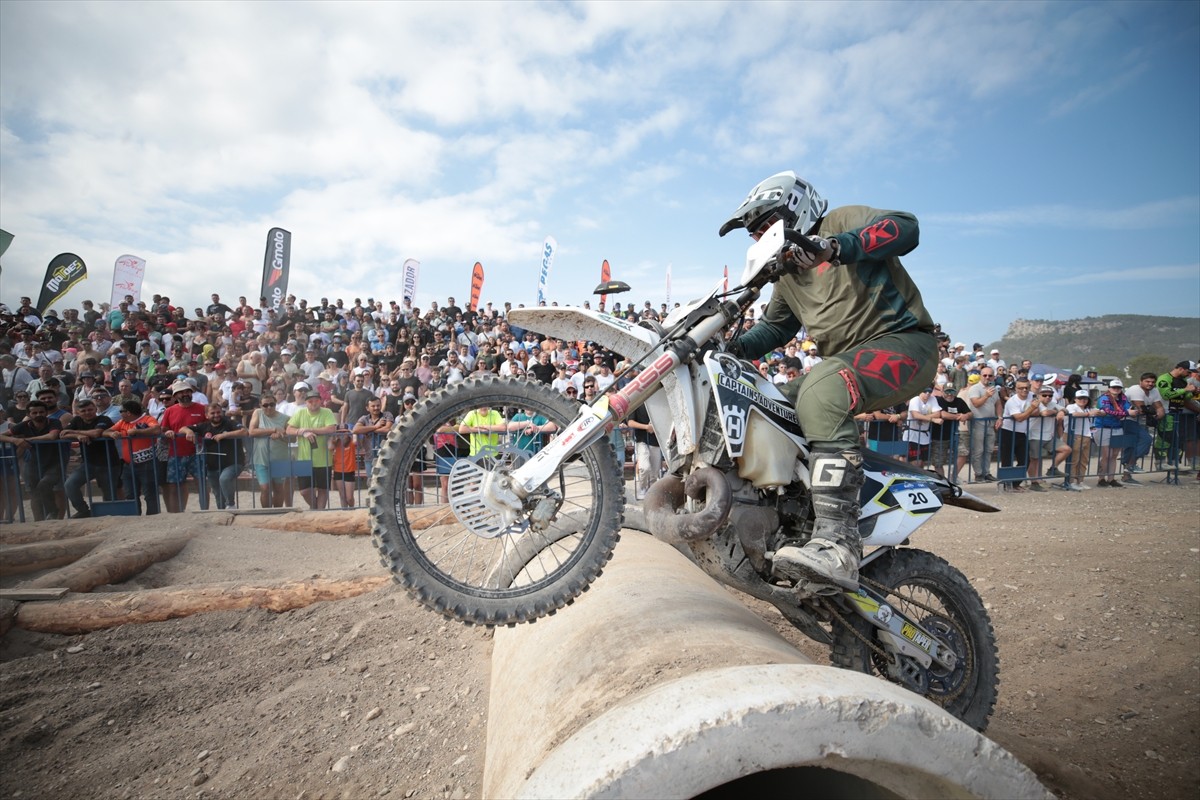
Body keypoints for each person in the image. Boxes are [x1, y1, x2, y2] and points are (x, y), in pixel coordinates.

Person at [721, 171, 937, 588]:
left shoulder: (840, 221)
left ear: (794, 211)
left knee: (822, 388)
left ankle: (839, 543)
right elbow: (775, 329)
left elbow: (907, 228)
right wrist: (728, 348)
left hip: (904, 343)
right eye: (753, 234)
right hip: (843, 363)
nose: (759, 238)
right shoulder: (785, 275)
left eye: (764, 225)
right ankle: (792, 520)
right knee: (766, 404)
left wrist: (835, 248)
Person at [0, 400, 64, 520]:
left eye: (41, 412)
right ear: (29, 414)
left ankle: (53, 512)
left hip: (54, 461)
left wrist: (28, 439)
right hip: (33, 461)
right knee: (34, 492)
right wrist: (15, 440)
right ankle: (38, 521)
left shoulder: (54, 422)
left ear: (46, 412)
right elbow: (2, 435)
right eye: (34, 413)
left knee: (44, 484)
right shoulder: (24, 425)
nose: (38, 414)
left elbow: (52, 436)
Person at [61, 397, 120, 517]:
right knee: (70, 484)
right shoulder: (76, 420)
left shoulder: (104, 418)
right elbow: (62, 434)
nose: (87, 413)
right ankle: (83, 511)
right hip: (88, 463)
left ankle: (110, 517)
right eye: (83, 411)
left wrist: (77, 433)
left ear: (95, 409)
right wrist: (77, 436)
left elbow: (96, 433)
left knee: (109, 493)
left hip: (109, 463)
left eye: (90, 409)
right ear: (78, 412)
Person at [181, 403, 247, 509]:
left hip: (233, 463)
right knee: (218, 495)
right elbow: (182, 428)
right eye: (213, 413)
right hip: (212, 466)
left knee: (224, 479)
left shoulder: (230, 423)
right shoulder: (204, 426)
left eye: (218, 412)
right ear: (207, 415)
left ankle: (231, 504)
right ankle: (222, 514)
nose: (216, 415)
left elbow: (244, 432)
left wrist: (225, 435)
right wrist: (188, 431)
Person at [103, 400, 161, 514]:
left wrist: (138, 431)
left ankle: (152, 518)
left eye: (121, 411)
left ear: (128, 412)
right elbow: (106, 431)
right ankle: (134, 517)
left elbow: (156, 429)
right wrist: (111, 433)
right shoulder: (122, 422)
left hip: (147, 463)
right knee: (130, 494)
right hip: (128, 465)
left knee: (150, 494)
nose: (120, 413)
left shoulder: (147, 419)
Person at [159, 379, 207, 512]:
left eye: (187, 391)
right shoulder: (169, 411)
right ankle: (177, 515)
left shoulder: (202, 408)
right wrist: (167, 431)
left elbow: (208, 427)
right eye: (181, 392)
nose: (185, 394)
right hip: (175, 453)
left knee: (201, 484)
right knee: (175, 486)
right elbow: (163, 429)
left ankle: (205, 512)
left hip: (197, 452)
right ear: (175, 396)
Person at [287, 390, 338, 509]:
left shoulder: (327, 412)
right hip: (303, 457)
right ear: (306, 403)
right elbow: (289, 430)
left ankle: (319, 513)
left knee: (323, 489)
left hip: (323, 458)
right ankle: (316, 508)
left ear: (320, 401)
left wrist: (309, 430)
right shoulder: (300, 413)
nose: (313, 403)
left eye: (316, 401)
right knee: (304, 491)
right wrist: (301, 432)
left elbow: (331, 429)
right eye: (310, 401)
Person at [248, 392, 292, 508]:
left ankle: (277, 514)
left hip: (280, 458)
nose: (269, 407)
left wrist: (281, 436)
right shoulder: (257, 413)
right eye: (265, 405)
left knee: (279, 488)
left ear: (276, 404)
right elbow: (251, 431)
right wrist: (273, 429)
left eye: (272, 404)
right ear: (260, 405)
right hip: (261, 458)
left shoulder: (285, 418)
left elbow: (292, 439)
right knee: (265, 488)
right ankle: (266, 513)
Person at [1025, 385, 1071, 491]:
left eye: (1050, 395)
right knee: (1035, 460)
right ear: (1038, 395)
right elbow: (1044, 413)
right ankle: (1034, 482)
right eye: (1044, 395)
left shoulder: (1052, 403)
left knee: (1066, 449)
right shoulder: (1035, 403)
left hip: (1049, 436)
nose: (1047, 397)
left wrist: (1061, 411)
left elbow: (1065, 409)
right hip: (1035, 436)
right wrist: (1056, 411)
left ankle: (1052, 468)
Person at [964, 367, 1001, 482]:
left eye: (990, 375)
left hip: (990, 422)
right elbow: (976, 404)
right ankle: (978, 474)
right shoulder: (975, 389)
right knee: (978, 450)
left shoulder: (993, 389)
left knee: (989, 449)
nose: (987, 377)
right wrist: (986, 395)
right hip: (978, 422)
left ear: (993, 377)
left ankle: (986, 472)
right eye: (984, 375)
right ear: (980, 376)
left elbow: (998, 404)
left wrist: (1000, 417)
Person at [998, 379, 1037, 491]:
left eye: (1026, 387)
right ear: (1016, 389)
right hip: (1008, 431)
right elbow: (1019, 418)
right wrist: (1031, 409)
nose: (1024, 390)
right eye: (1021, 388)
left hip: (1022, 432)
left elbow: (1036, 411)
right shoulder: (1012, 401)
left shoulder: (1032, 395)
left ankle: (1015, 483)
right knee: (1007, 460)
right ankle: (1007, 484)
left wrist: (1028, 412)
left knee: (1025, 460)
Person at [1094, 379, 1133, 488]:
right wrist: (1126, 413)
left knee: (1114, 455)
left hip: (1117, 427)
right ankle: (1101, 478)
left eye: (1118, 388)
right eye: (1114, 387)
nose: (1116, 389)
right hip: (1103, 427)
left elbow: (1128, 408)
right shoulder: (1103, 398)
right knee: (1107, 455)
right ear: (1109, 388)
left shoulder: (1123, 399)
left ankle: (1111, 479)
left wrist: (1126, 412)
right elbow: (1107, 411)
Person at [1063, 390, 1097, 491]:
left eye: (1085, 398)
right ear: (1075, 399)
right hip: (1073, 434)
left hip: (1086, 435)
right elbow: (1073, 414)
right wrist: (1089, 414)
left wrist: (1098, 412)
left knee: (1084, 460)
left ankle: (1080, 480)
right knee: (1074, 460)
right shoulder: (1071, 406)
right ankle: (1071, 481)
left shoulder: (1088, 409)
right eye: (1080, 398)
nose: (1082, 400)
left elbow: (1100, 412)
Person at [626, 403, 660, 501]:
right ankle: (642, 487)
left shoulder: (657, 402)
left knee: (654, 473)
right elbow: (630, 422)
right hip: (641, 440)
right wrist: (646, 427)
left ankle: (651, 494)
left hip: (657, 441)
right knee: (644, 467)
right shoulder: (638, 402)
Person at [903, 387, 940, 468]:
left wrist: (923, 418)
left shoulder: (933, 399)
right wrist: (932, 419)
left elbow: (937, 414)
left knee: (922, 463)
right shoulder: (915, 399)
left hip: (924, 434)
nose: (927, 394)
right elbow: (915, 415)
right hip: (912, 434)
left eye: (929, 392)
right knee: (916, 462)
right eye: (925, 391)